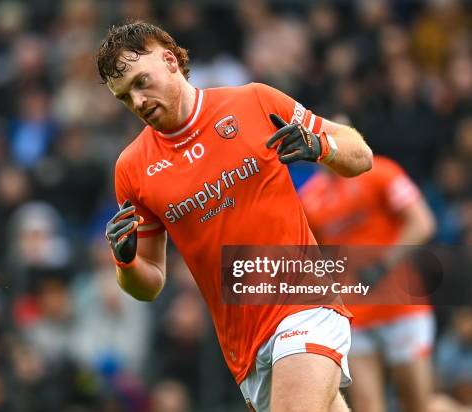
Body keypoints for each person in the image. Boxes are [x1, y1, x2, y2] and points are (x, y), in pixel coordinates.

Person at [97, 21, 373, 412]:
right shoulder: (132, 168)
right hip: (243, 345)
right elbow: (151, 283)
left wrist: (320, 145)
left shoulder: (253, 101)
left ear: (171, 61)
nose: (138, 102)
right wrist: (125, 263)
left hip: (305, 303)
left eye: (142, 82)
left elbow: (361, 156)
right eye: (125, 98)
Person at [300, 154, 436, 412]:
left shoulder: (381, 172)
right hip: (355, 314)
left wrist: (384, 265)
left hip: (401, 307)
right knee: (366, 405)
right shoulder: (309, 197)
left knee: (418, 404)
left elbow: (422, 222)